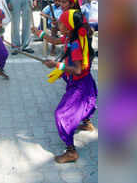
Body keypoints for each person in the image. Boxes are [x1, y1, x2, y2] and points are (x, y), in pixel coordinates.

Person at [32, 9, 97, 163]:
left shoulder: (75, 45)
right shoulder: (71, 36)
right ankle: (87, 124)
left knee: (61, 114)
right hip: (82, 81)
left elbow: (77, 69)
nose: (58, 24)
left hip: (80, 84)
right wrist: (39, 32)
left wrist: (56, 65)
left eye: (60, 23)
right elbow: (54, 41)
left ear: (67, 27)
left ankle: (71, 151)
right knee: (82, 106)